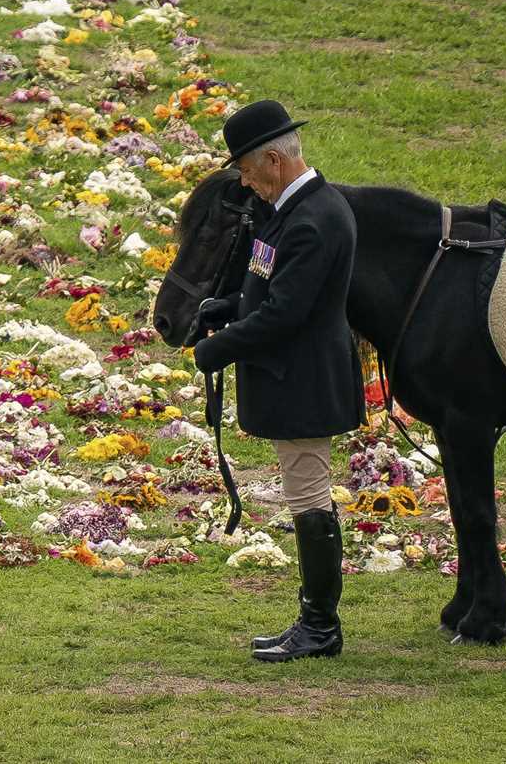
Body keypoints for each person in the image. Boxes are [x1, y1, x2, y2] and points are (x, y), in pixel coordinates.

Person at [191, 100, 366, 662]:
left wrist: (216, 349)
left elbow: (286, 315)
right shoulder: (293, 211)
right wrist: (226, 306)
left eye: (245, 171)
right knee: (302, 494)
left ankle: (320, 626)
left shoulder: (314, 220)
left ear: (272, 159)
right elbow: (268, 287)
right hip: (295, 373)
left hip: (305, 379)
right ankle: (316, 622)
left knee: (310, 497)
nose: (246, 183)